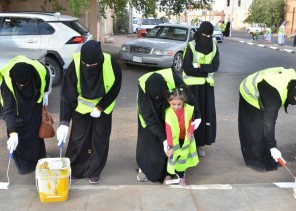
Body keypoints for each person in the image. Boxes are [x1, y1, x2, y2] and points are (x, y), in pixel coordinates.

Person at [57, 40, 122, 184]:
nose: (88, 67)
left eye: (92, 65)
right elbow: (67, 96)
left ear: (99, 60)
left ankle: (95, 170)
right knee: (78, 139)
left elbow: (115, 89)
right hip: (81, 108)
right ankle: (75, 169)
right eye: (86, 65)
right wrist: (64, 122)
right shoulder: (75, 65)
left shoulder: (111, 64)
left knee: (100, 139)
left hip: (103, 109)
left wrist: (100, 107)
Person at [136, 68, 201, 183]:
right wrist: (165, 140)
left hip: (169, 111)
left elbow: (189, 96)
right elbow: (150, 120)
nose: (158, 100)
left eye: (160, 97)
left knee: (173, 143)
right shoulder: (143, 92)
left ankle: (172, 169)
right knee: (151, 143)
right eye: (155, 98)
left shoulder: (173, 78)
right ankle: (146, 168)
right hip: (149, 119)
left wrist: (198, 115)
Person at [0, 55, 51, 174]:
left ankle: (39, 156)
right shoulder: (8, 83)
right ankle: (25, 164)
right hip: (16, 107)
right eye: (19, 85)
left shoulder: (39, 70)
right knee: (19, 132)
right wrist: (12, 132)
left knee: (35, 129)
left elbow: (47, 78)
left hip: (34, 102)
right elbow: (9, 111)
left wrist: (45, 93)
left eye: (25, 84)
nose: (22, 87)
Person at [238, 67, 296, 172]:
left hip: (267, 86)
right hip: (250, 92)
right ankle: (254, 160)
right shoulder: (275, 95)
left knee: (264, 128)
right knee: (256, 129)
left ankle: (268, 157)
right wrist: (273, 147)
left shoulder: (293, 82)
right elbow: (269, 122)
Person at [182, 21, 220, 157]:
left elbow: (215, 66)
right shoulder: (191, 46)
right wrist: (205, 70)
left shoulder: (214, 47)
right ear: (199, 33)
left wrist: (198, 67)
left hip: (206, 88)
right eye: (204, 34)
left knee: (204, 116)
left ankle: (200, 145)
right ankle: (188, 144)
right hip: (191, 88)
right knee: (191, 116)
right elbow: (187, 68)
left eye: (209, 35)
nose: (206, 37)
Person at [163, 87, 199, 186]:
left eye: (179, 104)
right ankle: (169, 174)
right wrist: (169, 146)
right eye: (173, 104)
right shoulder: (168, 113)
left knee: (183, 157)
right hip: (174, 140)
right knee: (172, 157)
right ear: (168, 102)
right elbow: (168, 130)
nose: (176, 106)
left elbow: (191, 123)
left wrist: (190, 132)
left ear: (183, 101)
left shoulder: (188, 110)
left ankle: (182, 176)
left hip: (185, 139)